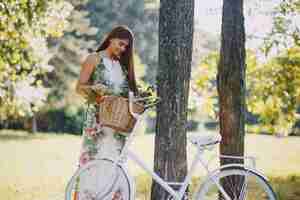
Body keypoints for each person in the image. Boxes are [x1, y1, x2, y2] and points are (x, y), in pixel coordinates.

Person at [75, 25, 139, 200]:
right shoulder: (94, 59)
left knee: (115, 164)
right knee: (94, 162)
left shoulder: (123, 66)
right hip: (97, 121)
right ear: (111, 39)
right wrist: (94, 91)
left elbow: (130, 94)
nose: (123, 49)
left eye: (126, 46)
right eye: (120, 43)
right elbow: (79, 87)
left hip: (119, 123)